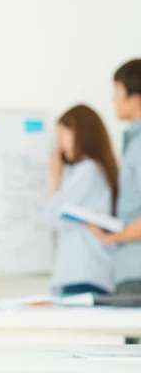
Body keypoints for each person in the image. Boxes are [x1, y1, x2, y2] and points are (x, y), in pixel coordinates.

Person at [44, 105, 118, 296]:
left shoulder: (88, 170)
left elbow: (53, 216)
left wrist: (54, 178)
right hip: (84, 273)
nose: (60, 146)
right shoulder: (89, 171)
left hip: (82, 273)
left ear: (81, 135)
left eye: (63, 136)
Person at [89, 59, 141, 298]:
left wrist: (114, 236)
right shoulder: (133, 142)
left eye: (117, 92)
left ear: (135, 97)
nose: (113, 100)